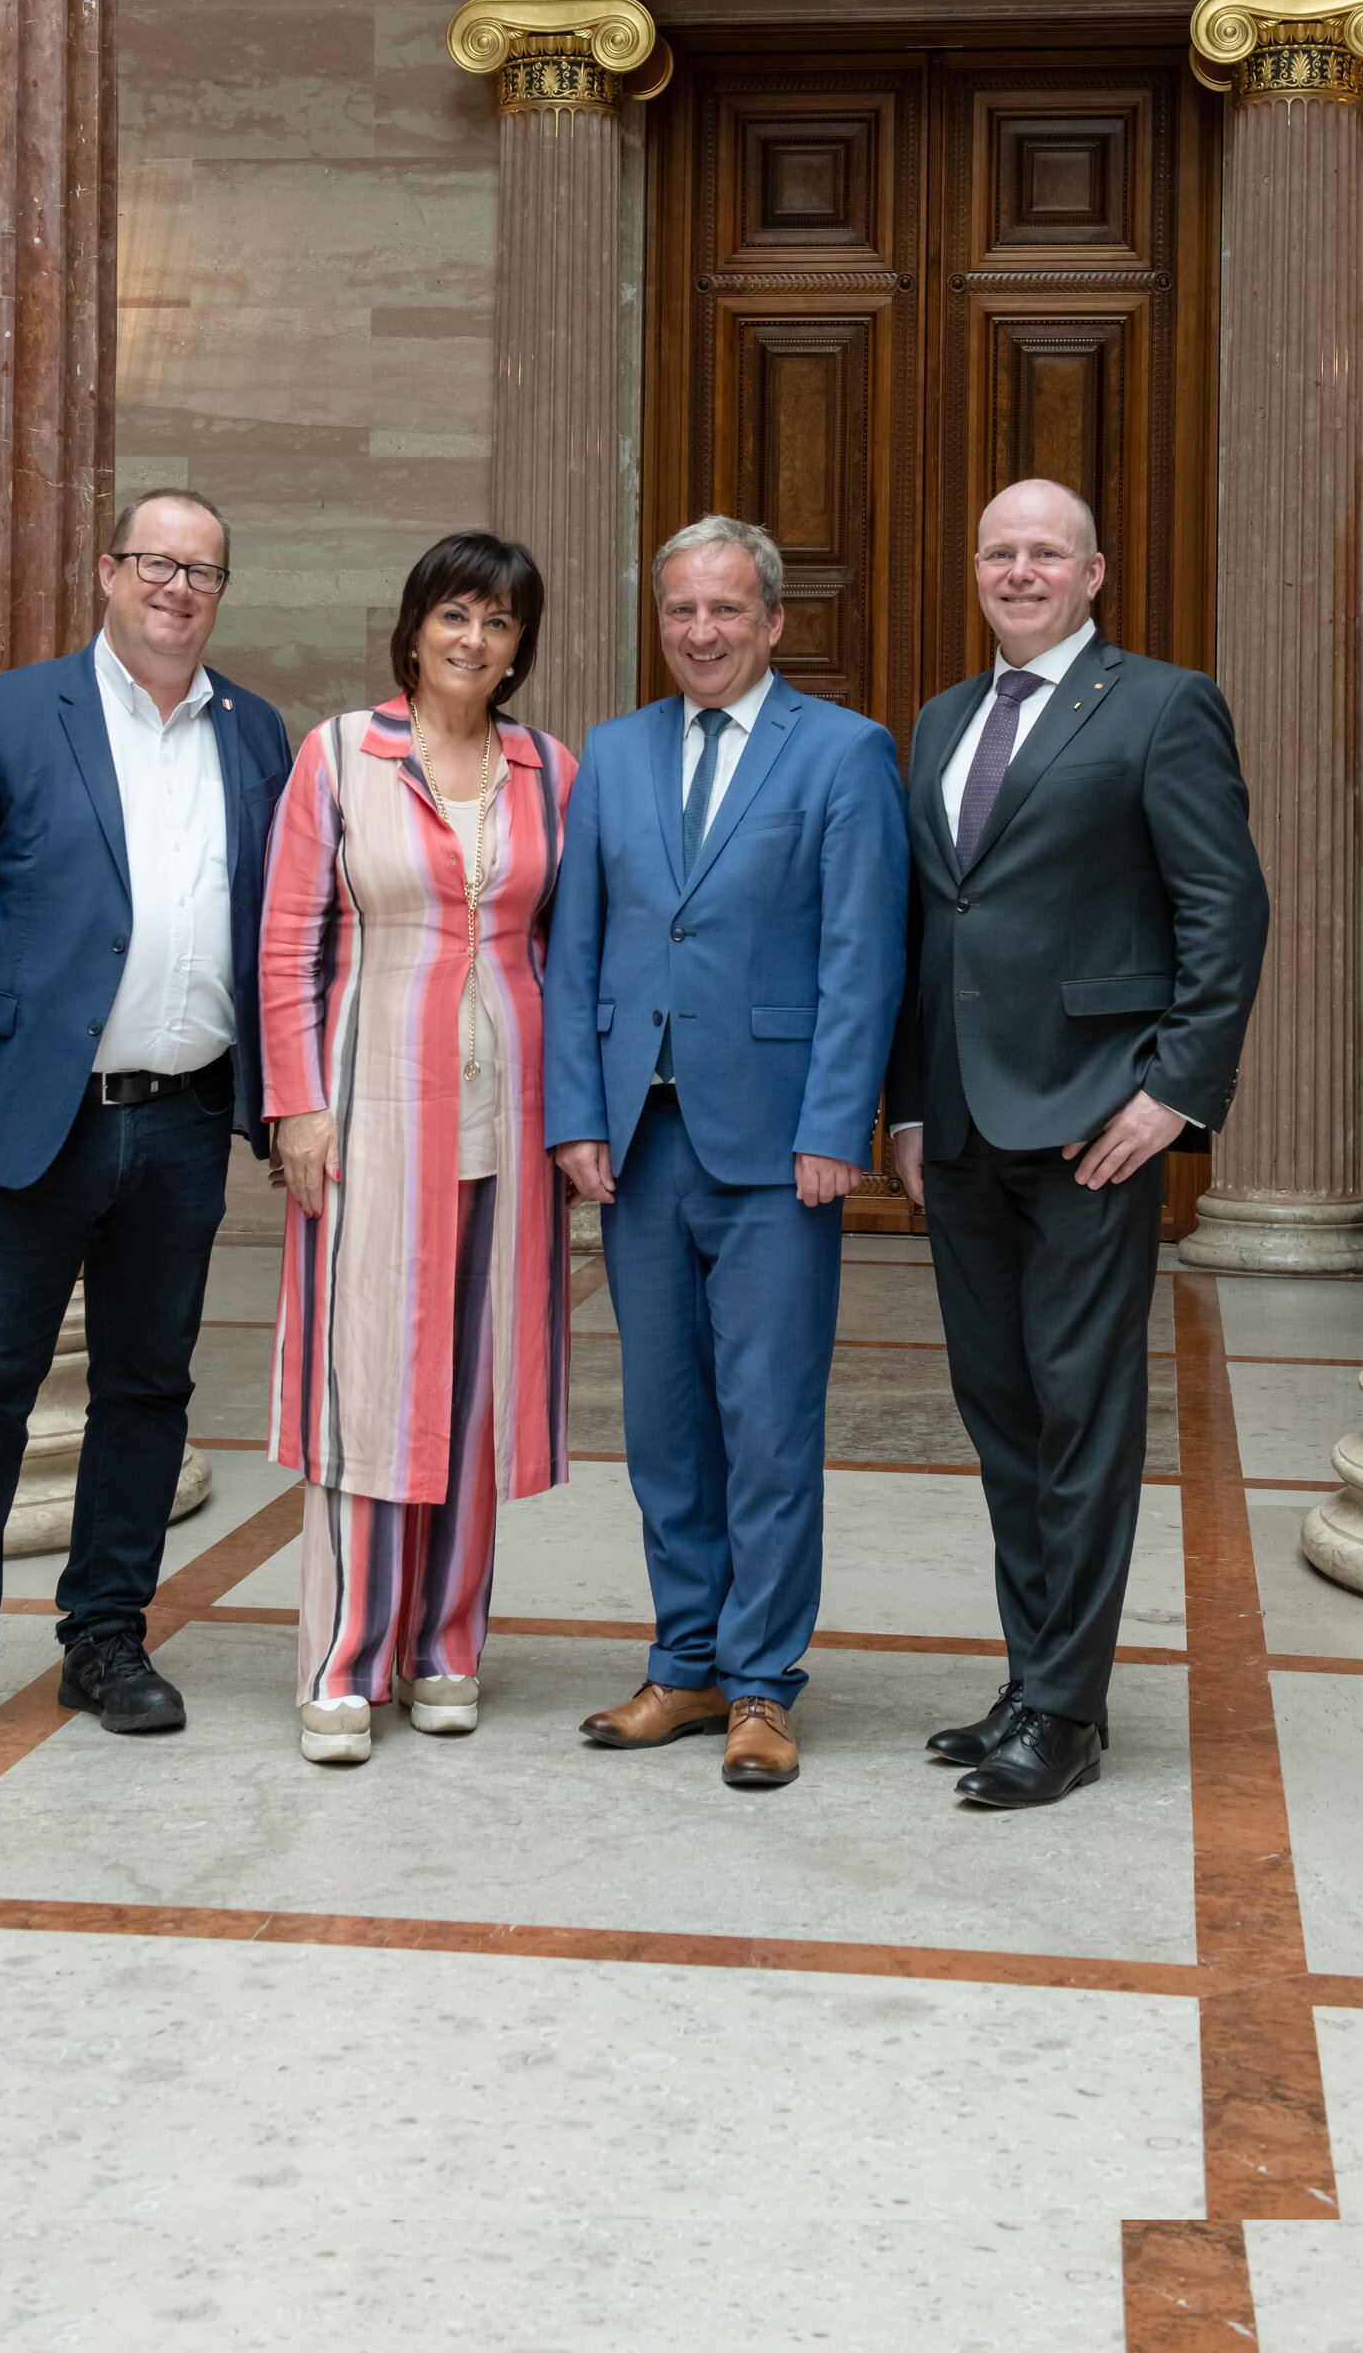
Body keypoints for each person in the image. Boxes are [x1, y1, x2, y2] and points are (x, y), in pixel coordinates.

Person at [0, 488, 290, 1756]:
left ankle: (104, 1638)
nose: (178, 588)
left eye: (203, 572)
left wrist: (284, 1101)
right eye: (155, 564)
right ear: (108, 573)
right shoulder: (7, 716)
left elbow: (285, 933)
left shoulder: (257, 735)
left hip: (180, 1120)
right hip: (26, 1118)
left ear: (221, 594)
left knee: (147, 1387)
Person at [889, 478, 1268, 1810]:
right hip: (967, 1125)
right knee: (1002, 1418)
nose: (1019, 569)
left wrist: (1175, 1093)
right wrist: (912, 1100)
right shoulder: (940, 719)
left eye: (1045, 551)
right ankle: (1031, 1674)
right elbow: (932, 927)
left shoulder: (1162, 707)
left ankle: (1067, 1709)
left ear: (1094, 571)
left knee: (1082, 1418)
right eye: (997, 550)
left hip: (1098, 1124)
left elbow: (1227, 910)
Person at [543, 514, 908, 1791]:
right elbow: (576, 950)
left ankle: (762, 1684)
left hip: (773, 1150)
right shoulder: (613, 751)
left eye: (725, 612)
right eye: (680, 612)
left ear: (773, 623)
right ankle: (683, 1663)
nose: (700, 633)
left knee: (765, 1426)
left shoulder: (846, 754)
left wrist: (834, 1128)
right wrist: (574, 1116)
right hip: (637, 1144)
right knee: (662, 1425)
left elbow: (866, 956)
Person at [260, 533, 576, 1766]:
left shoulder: (549, 768)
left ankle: (446, 1647)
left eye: (498, 624)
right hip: (369, 1108)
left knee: (476, 1380)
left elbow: (569, 942)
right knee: (368, 1376)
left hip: (512, 1115)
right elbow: (288, 939)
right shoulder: (338, 753)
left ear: (518, 650)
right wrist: (296, 1103)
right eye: (455, 615)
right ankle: (342, 1657)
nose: (474, 641)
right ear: (412, 628)